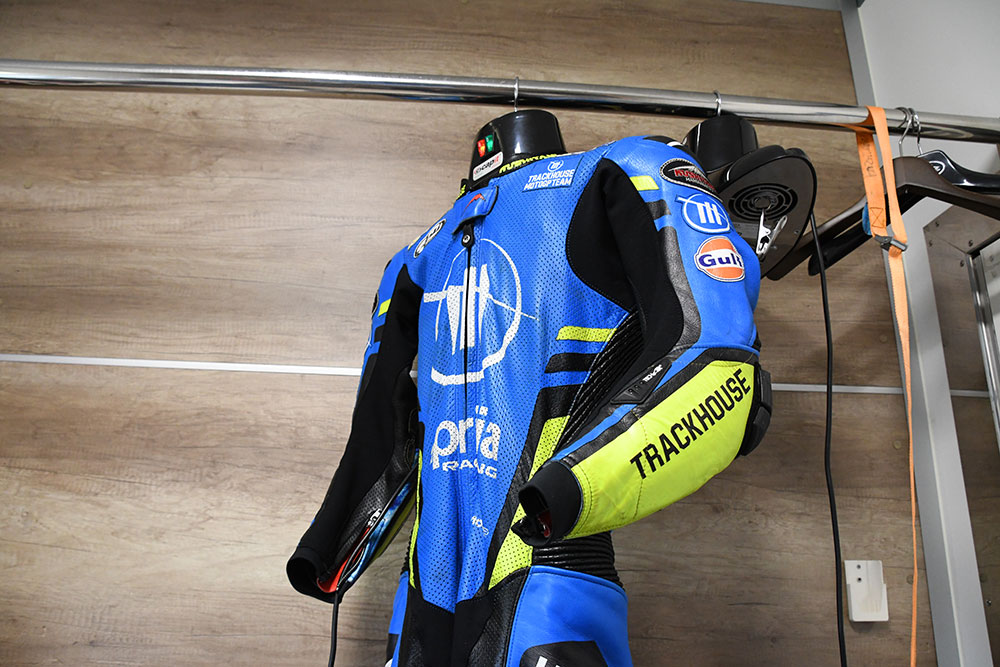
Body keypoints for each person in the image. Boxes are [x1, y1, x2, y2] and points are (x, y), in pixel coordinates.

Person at [287, 109, 771, 667]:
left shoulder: (611, 173)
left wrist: (574, 485)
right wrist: (332, 544)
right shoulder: (415, 260)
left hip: (547, 565)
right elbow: (379, 420)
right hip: (433, 588)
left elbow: (717, 355)